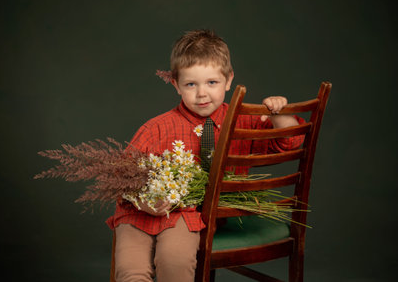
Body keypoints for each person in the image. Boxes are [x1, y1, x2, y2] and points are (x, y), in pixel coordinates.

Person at [106, 29, 305, 282]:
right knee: (132, 270)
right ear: (176, 84)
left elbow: (290, 141)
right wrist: (143, 200)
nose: (202, 94)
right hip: (139, 211)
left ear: (229, 80)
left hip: (188, 216)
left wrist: (280, 113)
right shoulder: (157, 128)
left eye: (212, 82)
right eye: (191, 84)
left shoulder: (241, 122)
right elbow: (120, 176)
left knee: (175, 261)